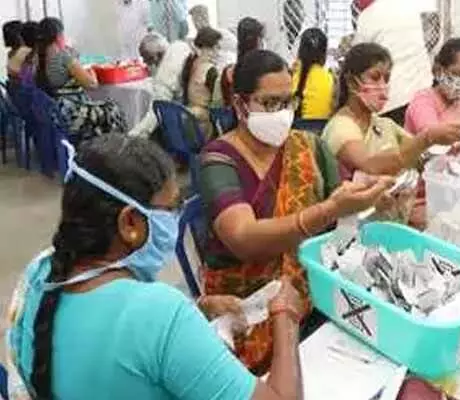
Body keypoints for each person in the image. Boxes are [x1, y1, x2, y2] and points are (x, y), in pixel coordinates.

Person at [6, 134, 305, 400]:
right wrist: (286, 318)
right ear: (130, 223)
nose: (177, 217)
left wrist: (198, 309)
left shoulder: (40, 272)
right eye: (172, 208)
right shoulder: (158, 314)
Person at [199, 49, 392, 374]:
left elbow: (341, 208)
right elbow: (243, 238)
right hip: (245, 310)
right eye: (270, 103)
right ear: (240, 104)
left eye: (288, 102)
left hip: (310, 296)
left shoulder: (308, 147)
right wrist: (328, 210)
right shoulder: (219, 160)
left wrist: (371, 199)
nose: (282, 113)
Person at [323, 43, 460, 179]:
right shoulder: (340, 127)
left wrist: (447, 150)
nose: (382, 86)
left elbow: (418, 155)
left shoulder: (384, 125)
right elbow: (370, 166)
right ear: (351, 82)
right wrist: (427, 138)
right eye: (374, 78)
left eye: (386, 79)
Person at [35, 18, 126, 142]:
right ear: (58, 36)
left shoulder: (38, 58)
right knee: (113, 109)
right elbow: (92, 84)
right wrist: (91, 71)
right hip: (71, 114)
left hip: (54, 113)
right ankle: (116, 147)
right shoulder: (63, 57)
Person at [353, 0, 433, 125]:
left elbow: (357, 58)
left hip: (392, 100)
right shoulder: (411, 6)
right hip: (423, 91)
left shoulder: (368, 16)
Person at [130, 32, 192, 138]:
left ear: (155, 57)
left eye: (146, 59)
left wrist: (132, 136)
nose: (144, 62)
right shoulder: (180, 45)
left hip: (187, 118)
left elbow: (155, 114)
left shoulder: (164, 76)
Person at [180, 27, 223, 138]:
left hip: (189, 119)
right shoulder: (209, 70)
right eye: (218, 47)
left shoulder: (190, 62)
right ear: (209, 48)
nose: (219, 52)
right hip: (203, 125)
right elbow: (218, 102)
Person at [221, 17, 265, 106]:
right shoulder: (267, 69)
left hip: (237, 113)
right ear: (258, 40)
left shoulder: (229, 72)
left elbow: (226, 102)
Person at [292, 28, 335, 120]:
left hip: (293, 127)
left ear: (300, 51)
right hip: (322, 127)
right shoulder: (330, 79)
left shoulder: (290, 76)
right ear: (324, 54)